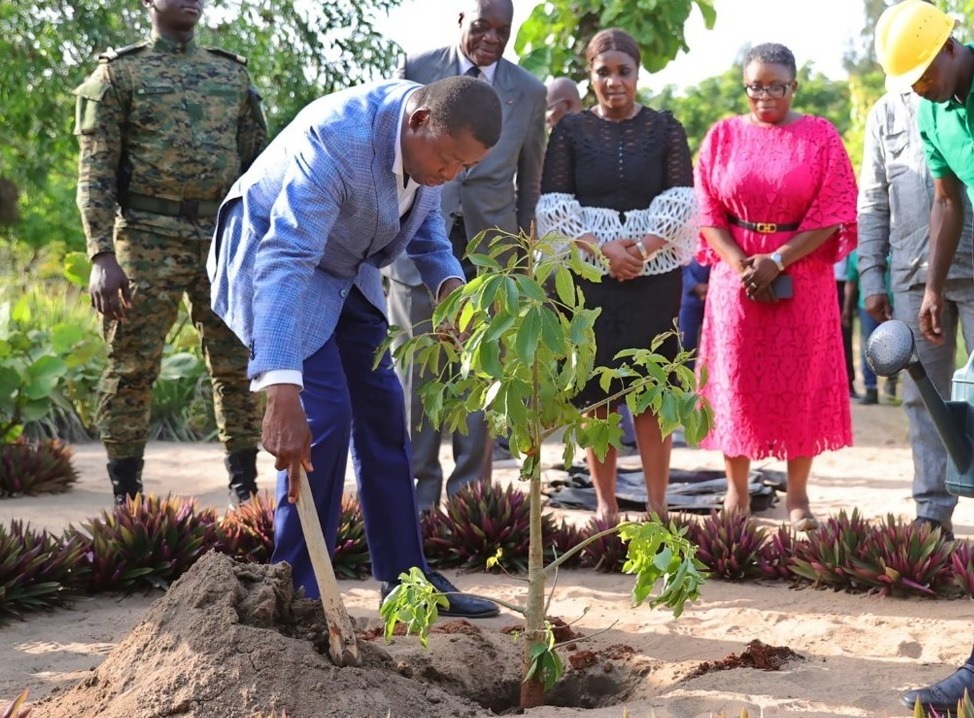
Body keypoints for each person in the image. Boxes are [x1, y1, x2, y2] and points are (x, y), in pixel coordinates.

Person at [207, 75, 503, 619]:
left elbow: (428, 229)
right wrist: (279, 386)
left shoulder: (433, 137)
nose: (451, 175)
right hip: (277, 261)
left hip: (344, 266)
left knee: (384, 415)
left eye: (464, 169)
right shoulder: (335, 140)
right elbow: (287, 256)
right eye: (450, 163)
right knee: (320, 416)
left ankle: (407, 584)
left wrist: (450, 289)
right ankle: (295, 595)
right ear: (418, 123)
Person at [73, 0, 265, 505]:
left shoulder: (231, 75)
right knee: (131, 366)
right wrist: (100, 254)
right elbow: (95, 173)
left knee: (238, 363)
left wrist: (258, 244)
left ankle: (246, 493)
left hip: (220, 239)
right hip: (143, 237)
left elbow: (257, 168)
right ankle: (127, 498)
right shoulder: (119, 75)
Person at [383, 0, 547, 513]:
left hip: (492, 254)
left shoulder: (530, 90)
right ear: (459, 22)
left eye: (503, 30)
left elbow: (531, 182)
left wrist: (521, 260)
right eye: (481, 26)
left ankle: (471, 499)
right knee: (419, 373)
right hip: (417, 245)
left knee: (482, 372)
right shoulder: (416, 68)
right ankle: (419, 498)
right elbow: (392, 155)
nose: (491, 39)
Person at [536, 28, 697, 521]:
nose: (613, 81)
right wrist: (604, 252)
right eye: (602, 72)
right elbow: (555, 206)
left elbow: (682, 202)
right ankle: (606, 508)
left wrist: (640, 252)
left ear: (637, 72)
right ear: (590, 76)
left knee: (652, 389)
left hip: (654, 278)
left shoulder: (667, 128)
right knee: (597, 395)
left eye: (622, 71)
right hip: (590, 275)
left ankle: (657, 507)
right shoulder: (570, 132)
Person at [693, 42, 857, 530]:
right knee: (735, 382)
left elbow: (834, 210)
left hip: (802, 276)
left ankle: (799, 498)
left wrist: (779, 260)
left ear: (794, 86)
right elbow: (706, 211)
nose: (765, 96)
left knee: (801, 383)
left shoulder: (821, 136)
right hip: (735, 277)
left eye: (777, 87)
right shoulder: (722, 136)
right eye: (756, 87)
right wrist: (742, 263)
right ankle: (737, 494)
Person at [875, 1, 974, 710]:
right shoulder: (932, 112)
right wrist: (932, 287)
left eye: (921, 75)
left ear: (949, 49)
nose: (915, 89)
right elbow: (947, 199)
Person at [858, 89, 974, 538]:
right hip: (912, 271)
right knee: (922, 395)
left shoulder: (956, 92)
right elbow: (873, 199)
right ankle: (932, 511)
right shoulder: (883, 113)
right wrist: (871, 276)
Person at [680, 258, 710, 371]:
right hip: (689, 300)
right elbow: (680, 268)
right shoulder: (686, 242)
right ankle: (683, 382)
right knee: (686, 343)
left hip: (716, 297)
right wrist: (695, 286)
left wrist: (712, 287)